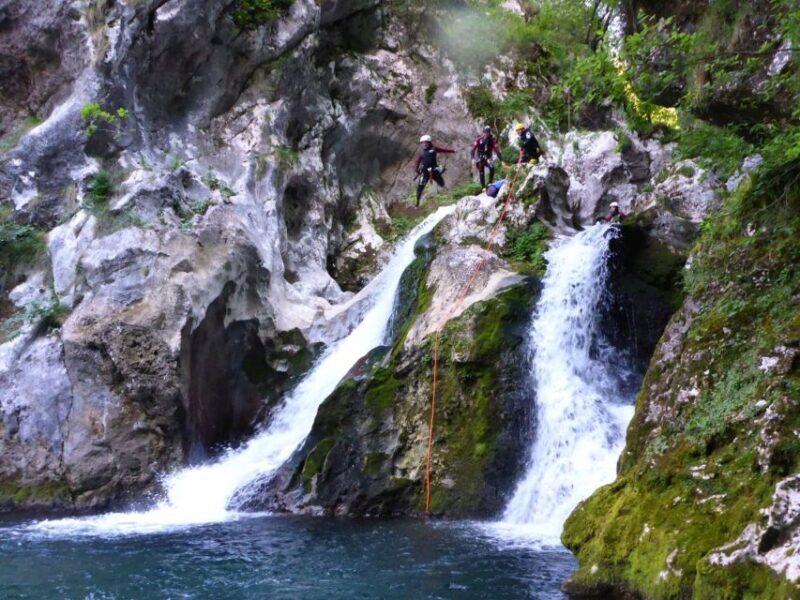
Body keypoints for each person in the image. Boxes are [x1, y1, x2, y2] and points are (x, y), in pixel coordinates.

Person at [414, 135, 455, 206]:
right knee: (420, 187)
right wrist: (416, 169)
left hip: (434, 170)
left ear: (429, 142)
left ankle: (446, 196)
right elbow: (417, 161)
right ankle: (417, 201)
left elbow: (443, 150)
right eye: (422, 143)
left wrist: (453, 151)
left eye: (425, 142)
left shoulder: (434, 148)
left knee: (441, 183)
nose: (424, 144)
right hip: (425, 172)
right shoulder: (421, 152)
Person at [471, 126, 502, 190]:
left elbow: (496, 149)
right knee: (481, 171)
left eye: (488, 132)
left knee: (492, 168)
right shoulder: (479, 140)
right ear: (483, 132)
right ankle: (483, 187)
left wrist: (501, 160)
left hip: (488, 157)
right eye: (485, 132)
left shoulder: (492, 140)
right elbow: (472, 150)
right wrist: (473, 158)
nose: (487, 133)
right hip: (480, 157)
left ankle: (490, 183)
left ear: (490, 132)